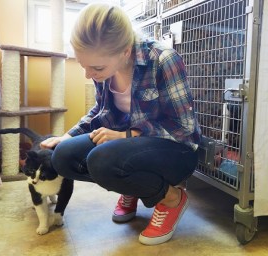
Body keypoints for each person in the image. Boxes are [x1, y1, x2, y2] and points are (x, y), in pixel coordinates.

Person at [40, 3, 201, 246]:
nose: (88, 74)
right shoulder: (102, 70)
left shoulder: (163, 60)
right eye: (83, 65)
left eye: (96, 68)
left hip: (175, 150)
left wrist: (128, 135)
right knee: (63, 156)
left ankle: (171, 198)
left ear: (125, 52)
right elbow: (100, 110)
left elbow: (184, 128)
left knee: (102, 160)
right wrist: (68, 136)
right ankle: (135, 185)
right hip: (129, 145)